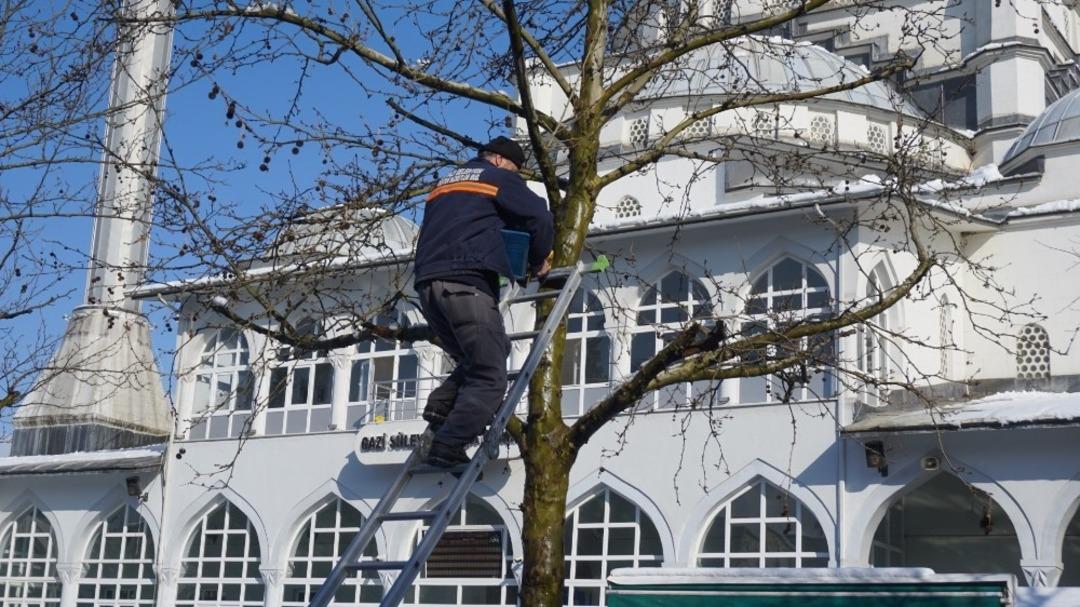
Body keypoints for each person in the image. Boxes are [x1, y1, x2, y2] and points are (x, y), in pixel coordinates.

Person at [414, 137, 554, 467]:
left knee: (478, 357)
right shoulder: (499, 178)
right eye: (516, 171)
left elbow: (470, 224)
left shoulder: (444, 184)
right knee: (491, 375)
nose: (516, 177)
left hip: (429, 287)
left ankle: (440, 405)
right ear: (502, 161)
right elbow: (539, 217)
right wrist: (538, 261)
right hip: (467, 285)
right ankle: (448, 445)